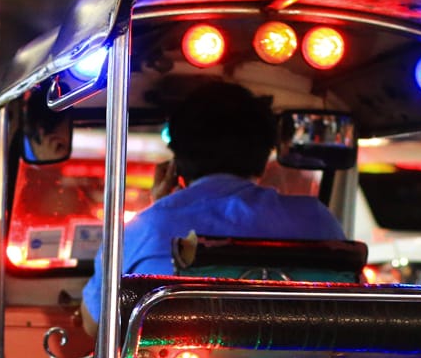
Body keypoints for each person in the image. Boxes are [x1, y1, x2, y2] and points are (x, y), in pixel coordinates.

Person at [78, 80, 347, 335]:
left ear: (177, 161)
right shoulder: (318, 220)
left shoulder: (145, 227)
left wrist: (159, 207)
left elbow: (95, 325)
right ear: (265, 156)